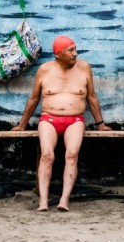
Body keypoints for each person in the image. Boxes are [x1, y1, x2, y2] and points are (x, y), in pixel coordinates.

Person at [13, 35, 111, 211]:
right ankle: (43, 201)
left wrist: (100, 124)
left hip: (75, 120)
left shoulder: (84, 67)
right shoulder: (44, 70)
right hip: (49, 119)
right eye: (70, 50)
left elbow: (91, 97)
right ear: (58, 54)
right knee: (47, 155)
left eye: (75, 49)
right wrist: (22, 125)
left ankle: (64, 200)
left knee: (71, 155)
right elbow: (34, 98)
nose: (75, 54)